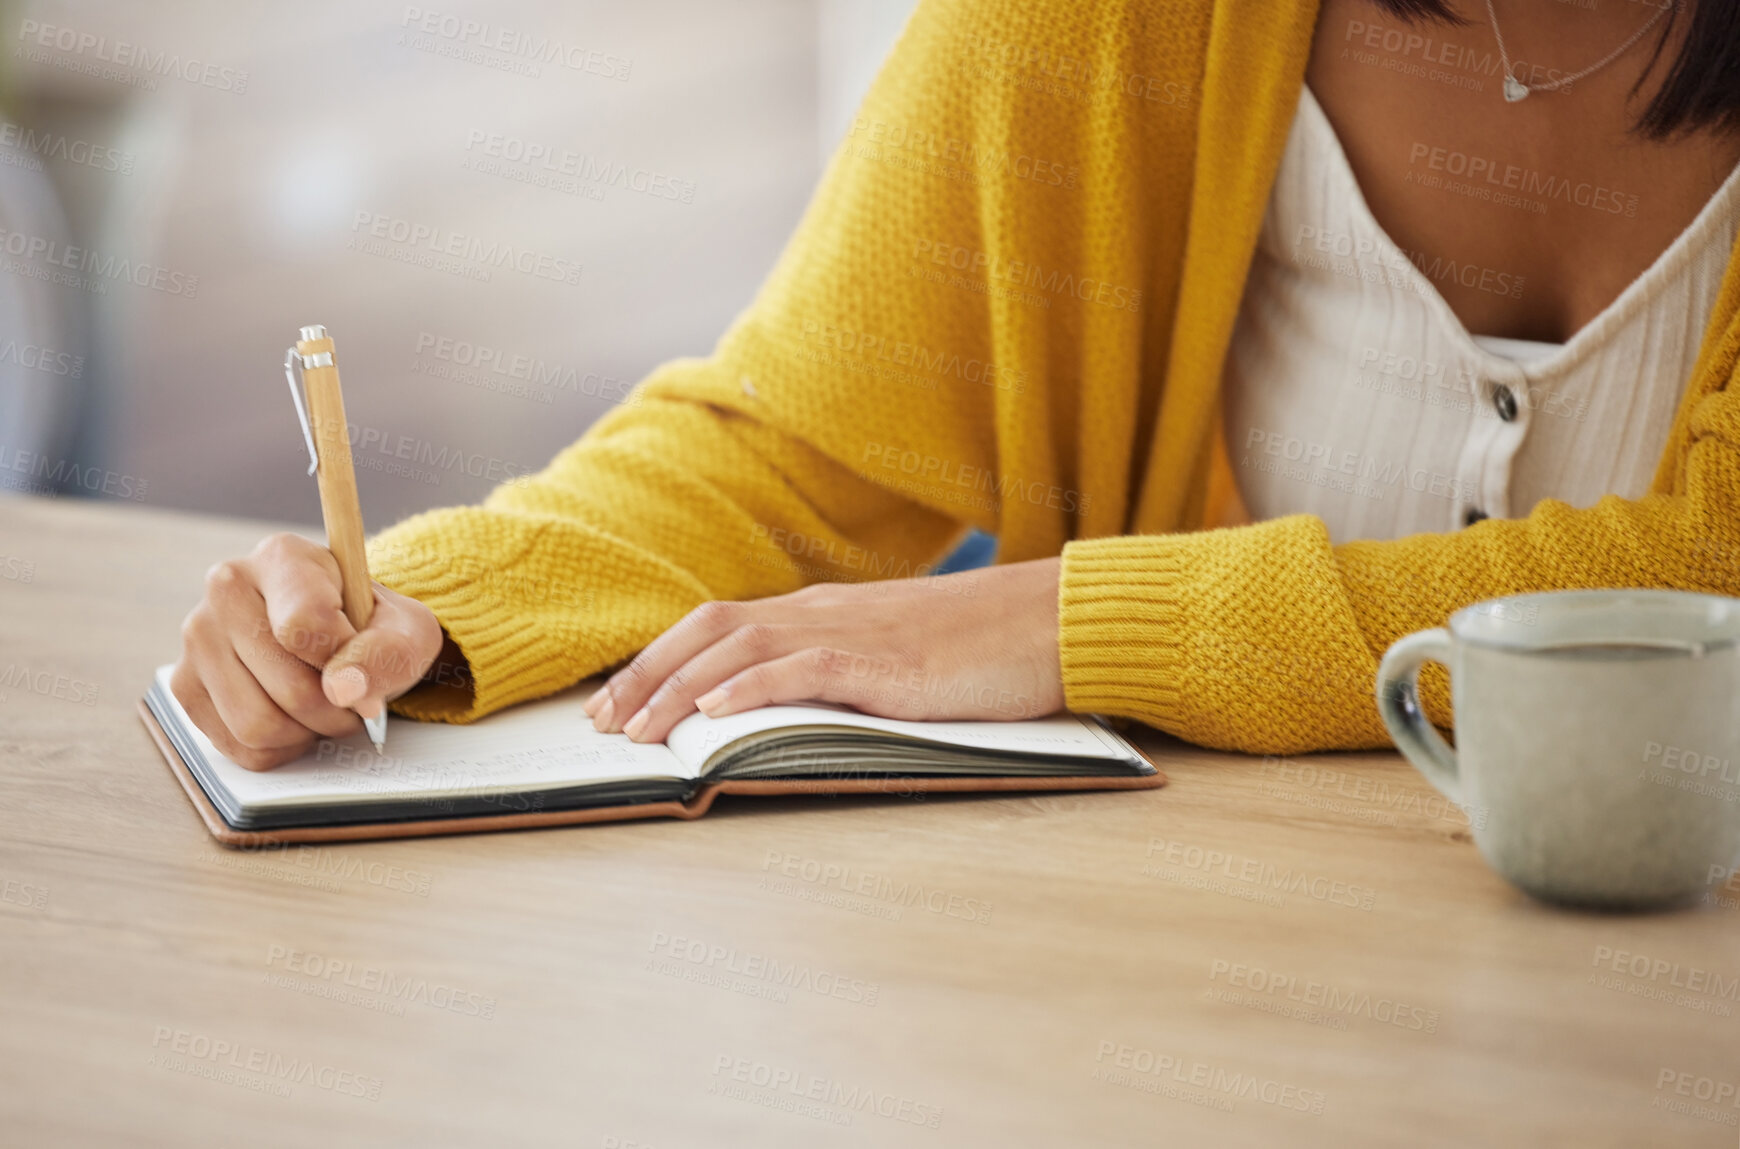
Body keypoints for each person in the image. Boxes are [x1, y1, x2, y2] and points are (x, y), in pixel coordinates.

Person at [172, 0, 1740, 770]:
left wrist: (1071, 622)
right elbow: (790, 445)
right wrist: (414, 605)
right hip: (1220, 1021)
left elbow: (1711, 579)